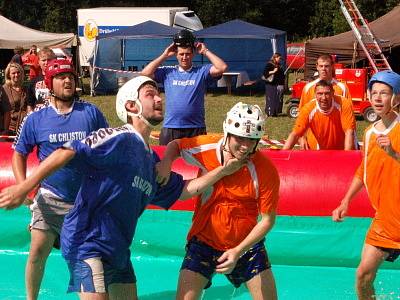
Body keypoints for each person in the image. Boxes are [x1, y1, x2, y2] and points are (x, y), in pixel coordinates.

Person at [0, 76, 244, 300]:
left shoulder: (151, 162)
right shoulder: (118, 138)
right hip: (86, 242)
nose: (159, 98)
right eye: (150, 94)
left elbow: (182, 191)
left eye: (159, 93)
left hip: (117, 249)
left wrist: (222, 171)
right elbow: (67, 151)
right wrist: (24, 187)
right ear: (131, 106)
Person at [157, 102, 280, 299]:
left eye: (251, 140)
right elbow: (176, 145)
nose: (245, 146)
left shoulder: (264, 169)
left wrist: (238, 250)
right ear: (227, 133)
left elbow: (267, 220)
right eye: (239, 138)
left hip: (246, 245)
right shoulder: (206, 147)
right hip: (204, 241)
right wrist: (166, 162)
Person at [11, 59, 108, 300]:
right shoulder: (36, 119)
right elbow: (19, 152)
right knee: (36, 253)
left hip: (85, 203)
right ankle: (30, 298)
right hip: (49, 200)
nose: (68, 81)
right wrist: (23, 188)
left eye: (71, 77)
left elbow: (108, 147)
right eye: (61, 77)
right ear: (49, 83)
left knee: (86, 261)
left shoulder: (91, 113)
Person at [332, 70, 400, 300]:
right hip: (386, 219)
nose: (379, 98)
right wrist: (345, 200)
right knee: (363, 276)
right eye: (375, 93)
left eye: (385, 93)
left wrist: (393, 153)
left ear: (396, 98)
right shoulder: (370, 134)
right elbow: (364, 169)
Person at [141, 29, 227, 145]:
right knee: (167, 162)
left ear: (193, 54)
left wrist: (205, 51)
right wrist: (164, 55)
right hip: (171, 127)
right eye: (181, 54)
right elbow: (145, 73)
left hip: (196, 128)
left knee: (196, 163)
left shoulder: (201, 71)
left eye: (188, 54)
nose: (184, 57)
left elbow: (222, 67)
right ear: (176, 54)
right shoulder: (168, 72)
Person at [298, 54, 352, 149]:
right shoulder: (308, 88)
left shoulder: (342, 88)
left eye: (326, 66)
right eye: (321, 66)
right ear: (317, 67)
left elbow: (349, 118)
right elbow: (301, 115)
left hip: (337, 142)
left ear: (332, 66)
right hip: (313, 142)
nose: (324, 69)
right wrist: (302, 137)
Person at [283, 80, 356, 150]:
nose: (324, 98)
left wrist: (346, 157)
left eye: (327, 93)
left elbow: (349, 132)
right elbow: (295, 134)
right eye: (320, 94)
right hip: (322, 149)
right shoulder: (308, 109)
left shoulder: (344, 104)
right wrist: (282, 155)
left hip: (344, 149)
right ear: (315, 94)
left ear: (333, 93)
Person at [1, 62, 28, 135]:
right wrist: (5, 130)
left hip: (24, 128)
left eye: (18, 72)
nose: (16, 75)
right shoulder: (4, 89)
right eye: (13, 73)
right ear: (9, 75)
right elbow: (5, 111)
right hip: (10, 129)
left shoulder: (26, 89)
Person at [27, 47, 56, 111]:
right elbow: (30, 104)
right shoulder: (33, 81)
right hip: (39, 117)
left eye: (49, 60)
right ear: (39, 62)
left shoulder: (59, 79)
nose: (46, 62)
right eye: (43, 60)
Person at [262, 53, 285, 117]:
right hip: (270, 84)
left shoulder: (279, 65)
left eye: (280, 58)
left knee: (277, 99)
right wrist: (273, 71)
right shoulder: (269, 64)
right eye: (279, 58)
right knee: (270, 99)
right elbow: (265, 73)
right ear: (275, 57)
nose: (280, 60)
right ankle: (269, 112)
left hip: (277, 84)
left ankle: (275, 112)